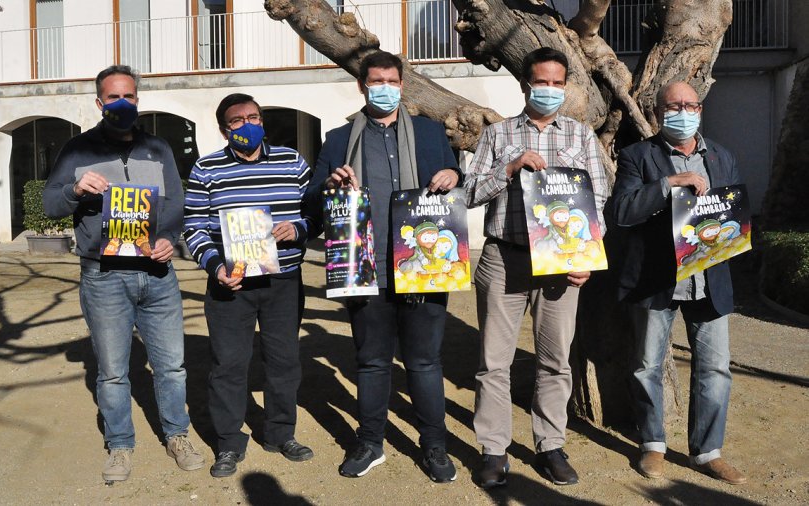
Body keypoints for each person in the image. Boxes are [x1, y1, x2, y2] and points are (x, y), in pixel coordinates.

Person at [43, 65, 203, 482]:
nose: (121, 103)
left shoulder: (158, 147)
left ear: (138, 99)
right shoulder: (77, 150)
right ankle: (119, 445)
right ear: (99, 102)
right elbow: (49, 205)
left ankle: (177, 435)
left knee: (171, 366)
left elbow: (174, 205)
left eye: (128, 96)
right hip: (103, 275)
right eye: (112, 97)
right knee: (113, 370)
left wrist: (170, 238)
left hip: (157, 272)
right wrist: (75, 191)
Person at [307, 51, 462, 483]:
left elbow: (454, 175)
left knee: (425, 363)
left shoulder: (431, 133)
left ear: (402, 84)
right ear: (362, 85)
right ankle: (370, 442)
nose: (385, 88)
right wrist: (329, 186)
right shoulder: (339, 139)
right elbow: (313, 203)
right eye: (376, 80)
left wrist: (452, 172)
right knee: (372, 362)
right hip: (364, 265)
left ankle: (434, 446)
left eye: (392, 80)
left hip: (424, 268)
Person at [465, 47, 608, 488]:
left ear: (566, 86)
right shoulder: (498, 133)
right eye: (541, 82)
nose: (549, 90)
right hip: (503, 257)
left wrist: (586, 254)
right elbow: (469, 193)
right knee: (494, 362)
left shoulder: (582, 136)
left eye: (556, 83)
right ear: (526, 83)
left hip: (561, 263)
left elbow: (598, 202)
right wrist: (509, 167)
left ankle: (551, 444)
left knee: (555, 360)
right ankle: (493, 449)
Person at [612, 82, 746, 485]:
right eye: (674, 106)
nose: (682, 111)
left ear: (700, 110)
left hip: (709, 277)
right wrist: (667, 185)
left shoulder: (722, 155)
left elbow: (734, 214)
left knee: (716, 367)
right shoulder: (638, 156)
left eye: (689, 105)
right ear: (658, 113)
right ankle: (653, 444)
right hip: (657, 279)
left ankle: (707, 452)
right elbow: (621, 211)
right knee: (647, 365)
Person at [183, 93, 315, 478]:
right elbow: (193, 227)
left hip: (283, 281)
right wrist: (214, 266)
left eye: (253, 117)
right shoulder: (206, 169)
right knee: (228, 364)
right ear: (224, 129)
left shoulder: (293, 162)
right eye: (237, 120)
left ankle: (280, 434)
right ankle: (228, 443)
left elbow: (315, 212)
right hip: (231, 284)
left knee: (284, 361)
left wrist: (300, 228)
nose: (247, 125)